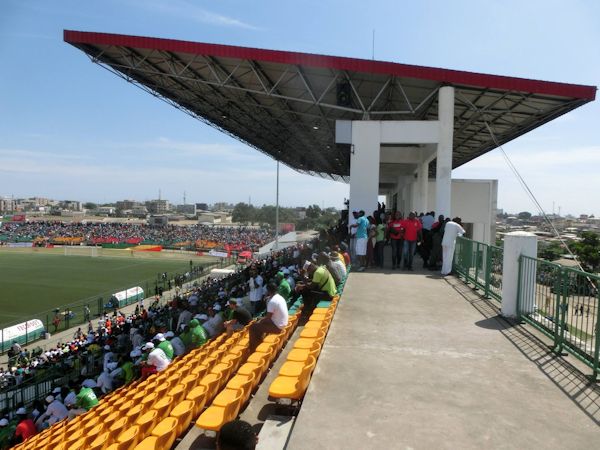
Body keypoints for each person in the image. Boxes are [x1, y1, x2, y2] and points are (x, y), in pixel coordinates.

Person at [249, 282, 288, 352]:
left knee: (253, 327)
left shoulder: (272, 301)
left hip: (278, 327)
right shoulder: (280, 297)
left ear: (268, 291)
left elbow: (268, 318)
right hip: (282, 323)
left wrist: (259, 321)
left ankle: (253, 349)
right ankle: (259, 343)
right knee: (259, 324)